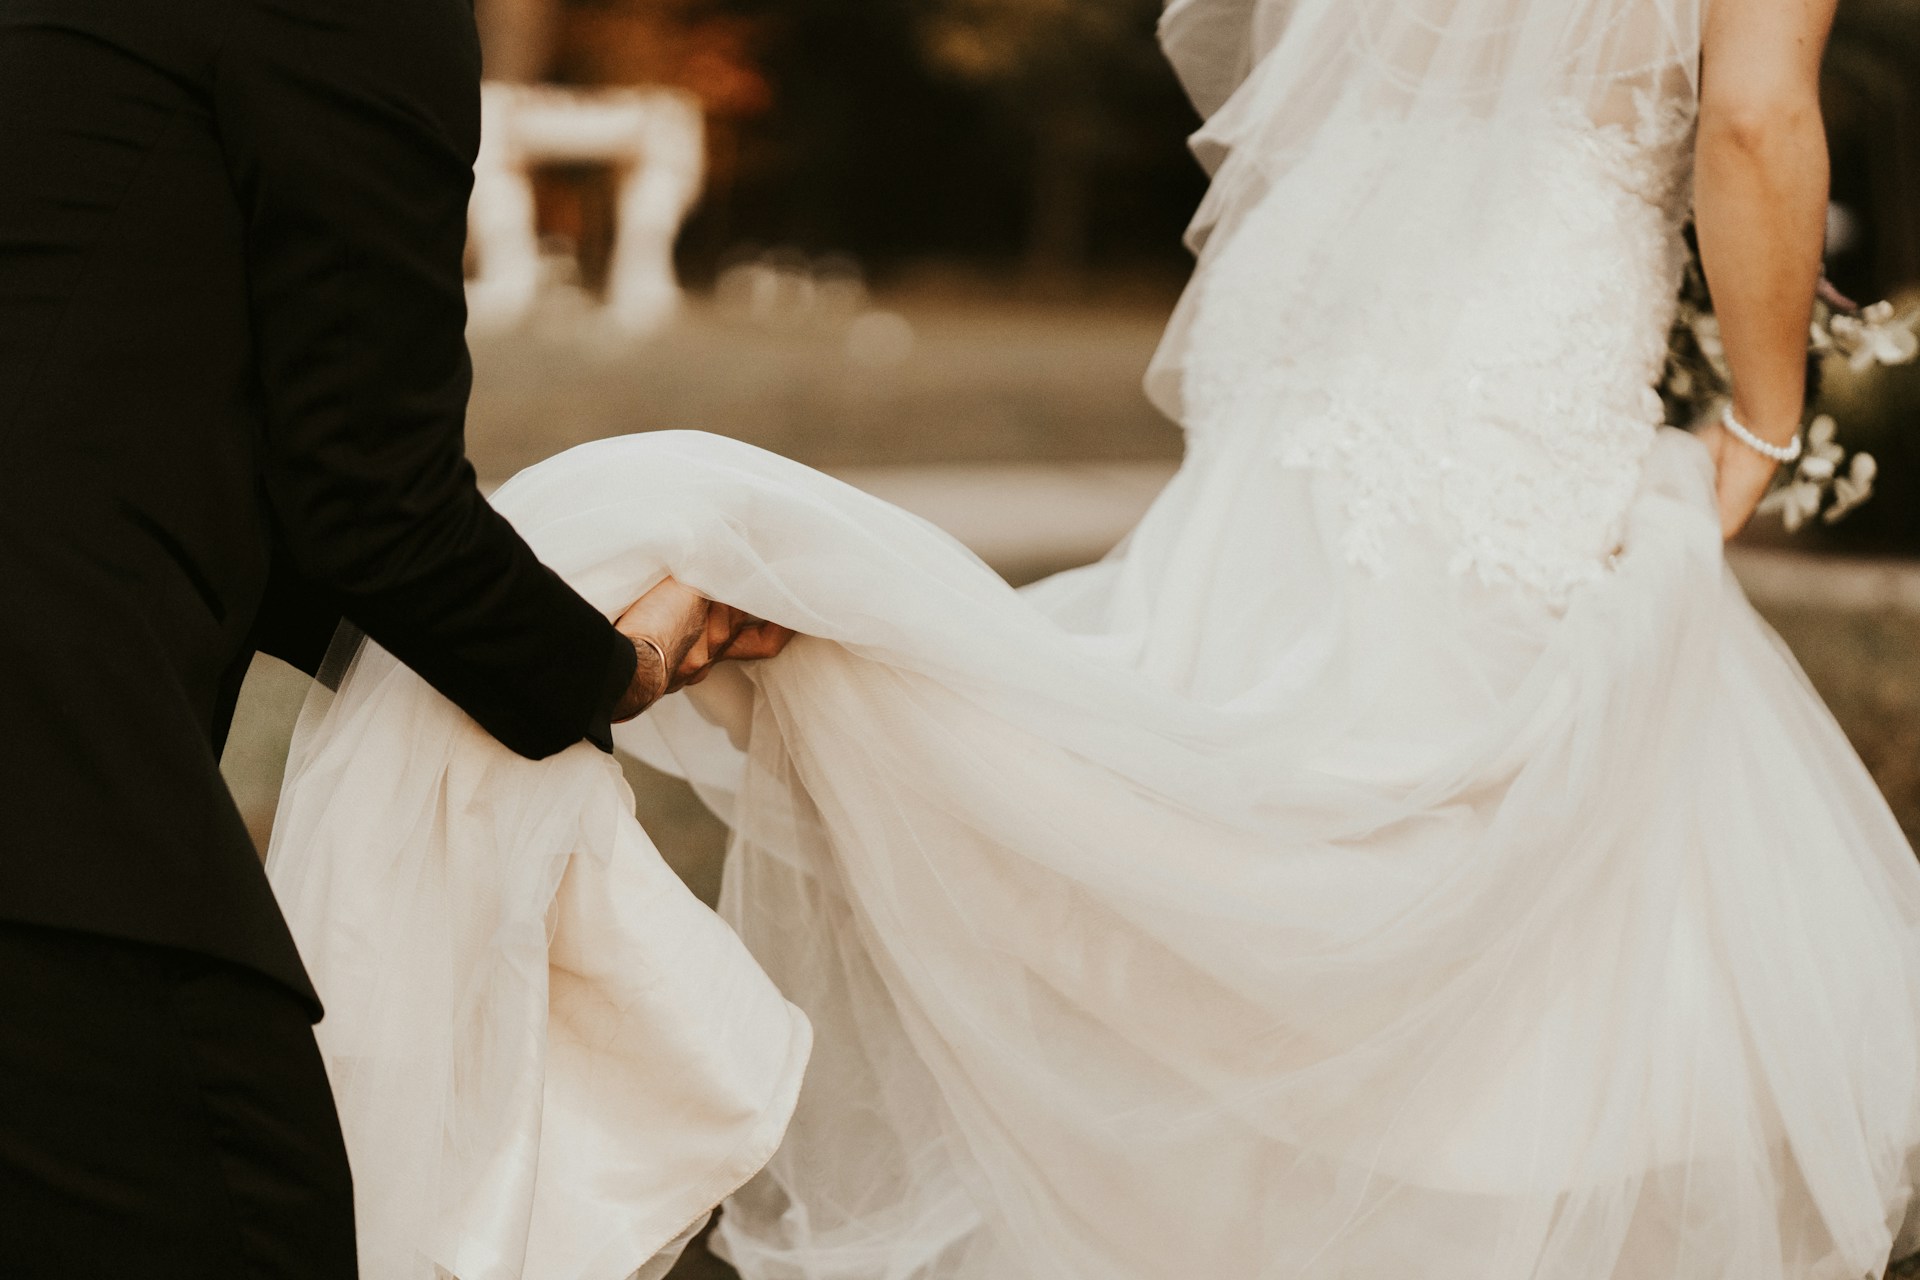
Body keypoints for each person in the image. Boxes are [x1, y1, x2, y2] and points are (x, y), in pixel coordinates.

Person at [272, 0, 1920, 1276]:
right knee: (1450, 821)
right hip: (1515, 339)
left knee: (1311, 769)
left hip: (1348, 309)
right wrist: (1765, 429)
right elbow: (1759, 116)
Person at [0, 2, 782, 1276]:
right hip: (47, 777)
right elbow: (373, 498)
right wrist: (624, 665)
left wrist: (530, 639)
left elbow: (140, 410)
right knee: (247, 1207)